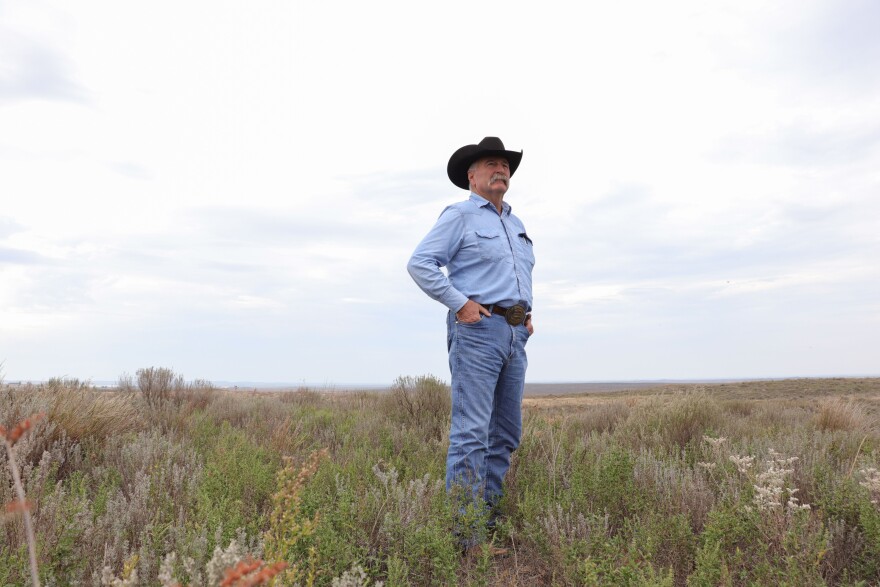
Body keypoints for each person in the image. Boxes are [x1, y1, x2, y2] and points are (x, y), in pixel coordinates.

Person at [407, 136, 535, 536]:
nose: (502, 170)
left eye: (506, 165)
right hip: (478, 333)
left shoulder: (515, 224)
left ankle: (488, 520)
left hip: (514, 334)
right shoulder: (460, 216)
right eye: (493, 164)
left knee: (505, 433)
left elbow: (516, 275)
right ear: (472, 175)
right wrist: (459, 303)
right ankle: (466, 536)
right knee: (472, 432)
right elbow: (421, 263)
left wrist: (526, 316)